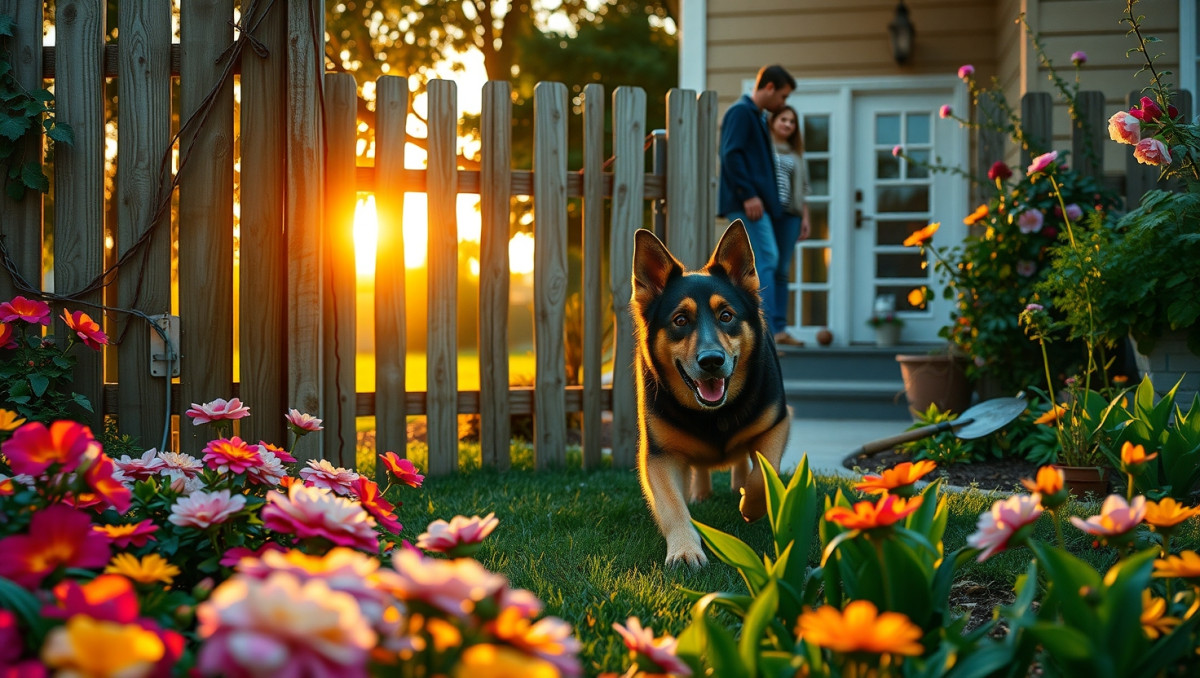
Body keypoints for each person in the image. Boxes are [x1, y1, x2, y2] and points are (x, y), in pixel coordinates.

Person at [718, 64, 796, 341]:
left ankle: (770, 330)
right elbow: (731, 154)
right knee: (766, 260)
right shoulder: (741, 113)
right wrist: (748, 194)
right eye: (783, 96)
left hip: (756, 202)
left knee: (765, 261)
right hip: (747, 202)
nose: (783, 103)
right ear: (770, 87)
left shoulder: (757, 117)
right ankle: (766, 333)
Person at [768, 105, 811, 346]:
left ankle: (781, 328)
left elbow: (803, 190)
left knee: (782, 271)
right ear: (773, 121)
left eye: (792, 122)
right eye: (783, 119)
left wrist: (805, 219)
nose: (787, 124)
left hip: (790, 216)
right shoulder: (763, 150)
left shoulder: (797, 154)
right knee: (768, 265)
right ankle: (768, 328)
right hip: (767, 214)